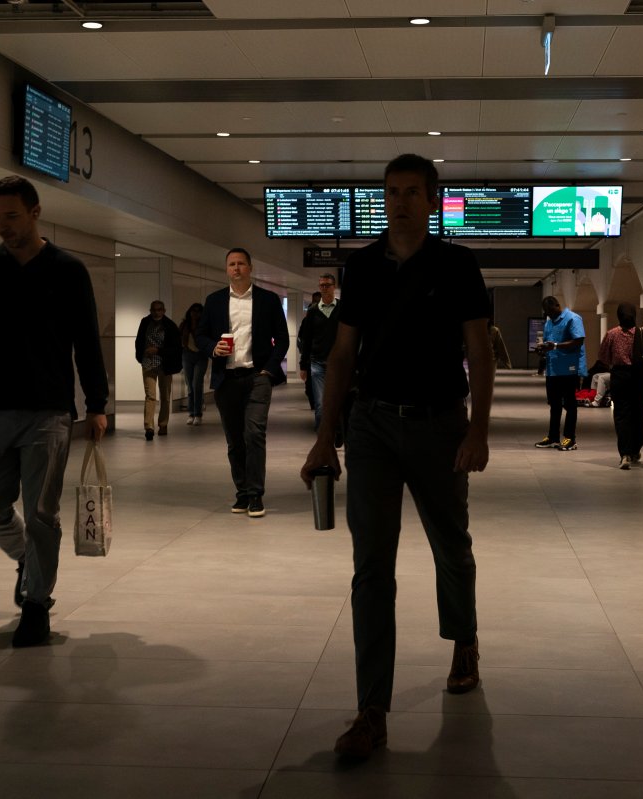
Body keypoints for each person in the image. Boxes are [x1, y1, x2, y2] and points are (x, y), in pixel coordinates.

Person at [300, 153, 493, 760]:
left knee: (450, 546)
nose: (400, 201)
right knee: (370, 569)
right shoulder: (360, 268)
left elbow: (480, 353)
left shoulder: (458, 264)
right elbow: (341, 356)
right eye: (392, 192)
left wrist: (478, 431)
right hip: (374, 426)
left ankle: (463, 637)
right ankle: (371, 711)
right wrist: (326, 432)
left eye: (412, 191)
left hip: (440, 426)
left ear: (432, 198)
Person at [0, 175, 108, 648]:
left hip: (48, 410)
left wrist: (96, 404)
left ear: (35, 213)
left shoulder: (67, 270)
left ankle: (36, 605)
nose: (2, 225)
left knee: (40, 513)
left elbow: (85, 341)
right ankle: (27, 561)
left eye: (10, 216)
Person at [196, 247, 290, 519]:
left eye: (240, 264)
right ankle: (242, 492)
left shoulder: (268, 300)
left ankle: (256, 495)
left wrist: (270, 370)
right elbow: (200, 335)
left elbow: (282, 339)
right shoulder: (214, 301)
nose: (235, 268)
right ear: (226, 269)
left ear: (250, 268)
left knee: (254, 434)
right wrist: (214, 348)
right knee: (235, 441)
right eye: (231, 264)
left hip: (257, 377)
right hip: (227, 380)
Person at [597, 303, 643, 469]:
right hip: (639, 378)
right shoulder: (642, 333)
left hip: (620, 377)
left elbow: (603, 357)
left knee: (621, 415)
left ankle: (624, 454)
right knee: (638, 414)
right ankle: (635, 450)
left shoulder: (611, 334)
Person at [534, 296, 585, 451]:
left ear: (558, 305)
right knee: (554, 405)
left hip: (569, 369)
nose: (550, 315)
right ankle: (553, 437)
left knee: (570, 405)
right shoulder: (549, 321)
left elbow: (578, 341)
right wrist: (542, 349)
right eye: (547, 313)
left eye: (552, 311)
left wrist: (555, 346)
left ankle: (570, 438)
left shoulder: (573, 318)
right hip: (553, 370)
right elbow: (549, 343)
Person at [298, 273, 341, 430]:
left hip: (338, 365)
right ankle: (323, 440)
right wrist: (303, 366)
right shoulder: (313, 312)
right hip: (318, 364)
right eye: (321, 285)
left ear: (333, 287)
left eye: (327, 285)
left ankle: (337, 433)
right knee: (321, 405)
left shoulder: (343, 309)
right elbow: (307, 340)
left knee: (338, 402)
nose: (324, 288)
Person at [135, 299, 182, 440]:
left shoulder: (170, 326)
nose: (156, 312)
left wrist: (158, 351)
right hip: (148, 363)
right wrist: (140, 356)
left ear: (164, 310)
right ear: (150, 311)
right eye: (154, 310)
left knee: (165, 396)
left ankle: (163, 424)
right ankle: (149, 427)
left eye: (159, 309)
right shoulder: (145, 323)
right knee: (150, 396)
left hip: (164, 365)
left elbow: (175, 347)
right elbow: (139, 340)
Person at [179, 303, 207, 426]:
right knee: (190, 386)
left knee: (197, 384)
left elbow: (205, 340)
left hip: (201, 356)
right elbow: (178, 338)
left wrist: (196, 326)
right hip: (187, 355)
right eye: (193, 311)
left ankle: (198, 414)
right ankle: (191, 413)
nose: (195, 313)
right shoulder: (184, 324)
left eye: (198, 311)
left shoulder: (204, 325)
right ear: (189, 312)